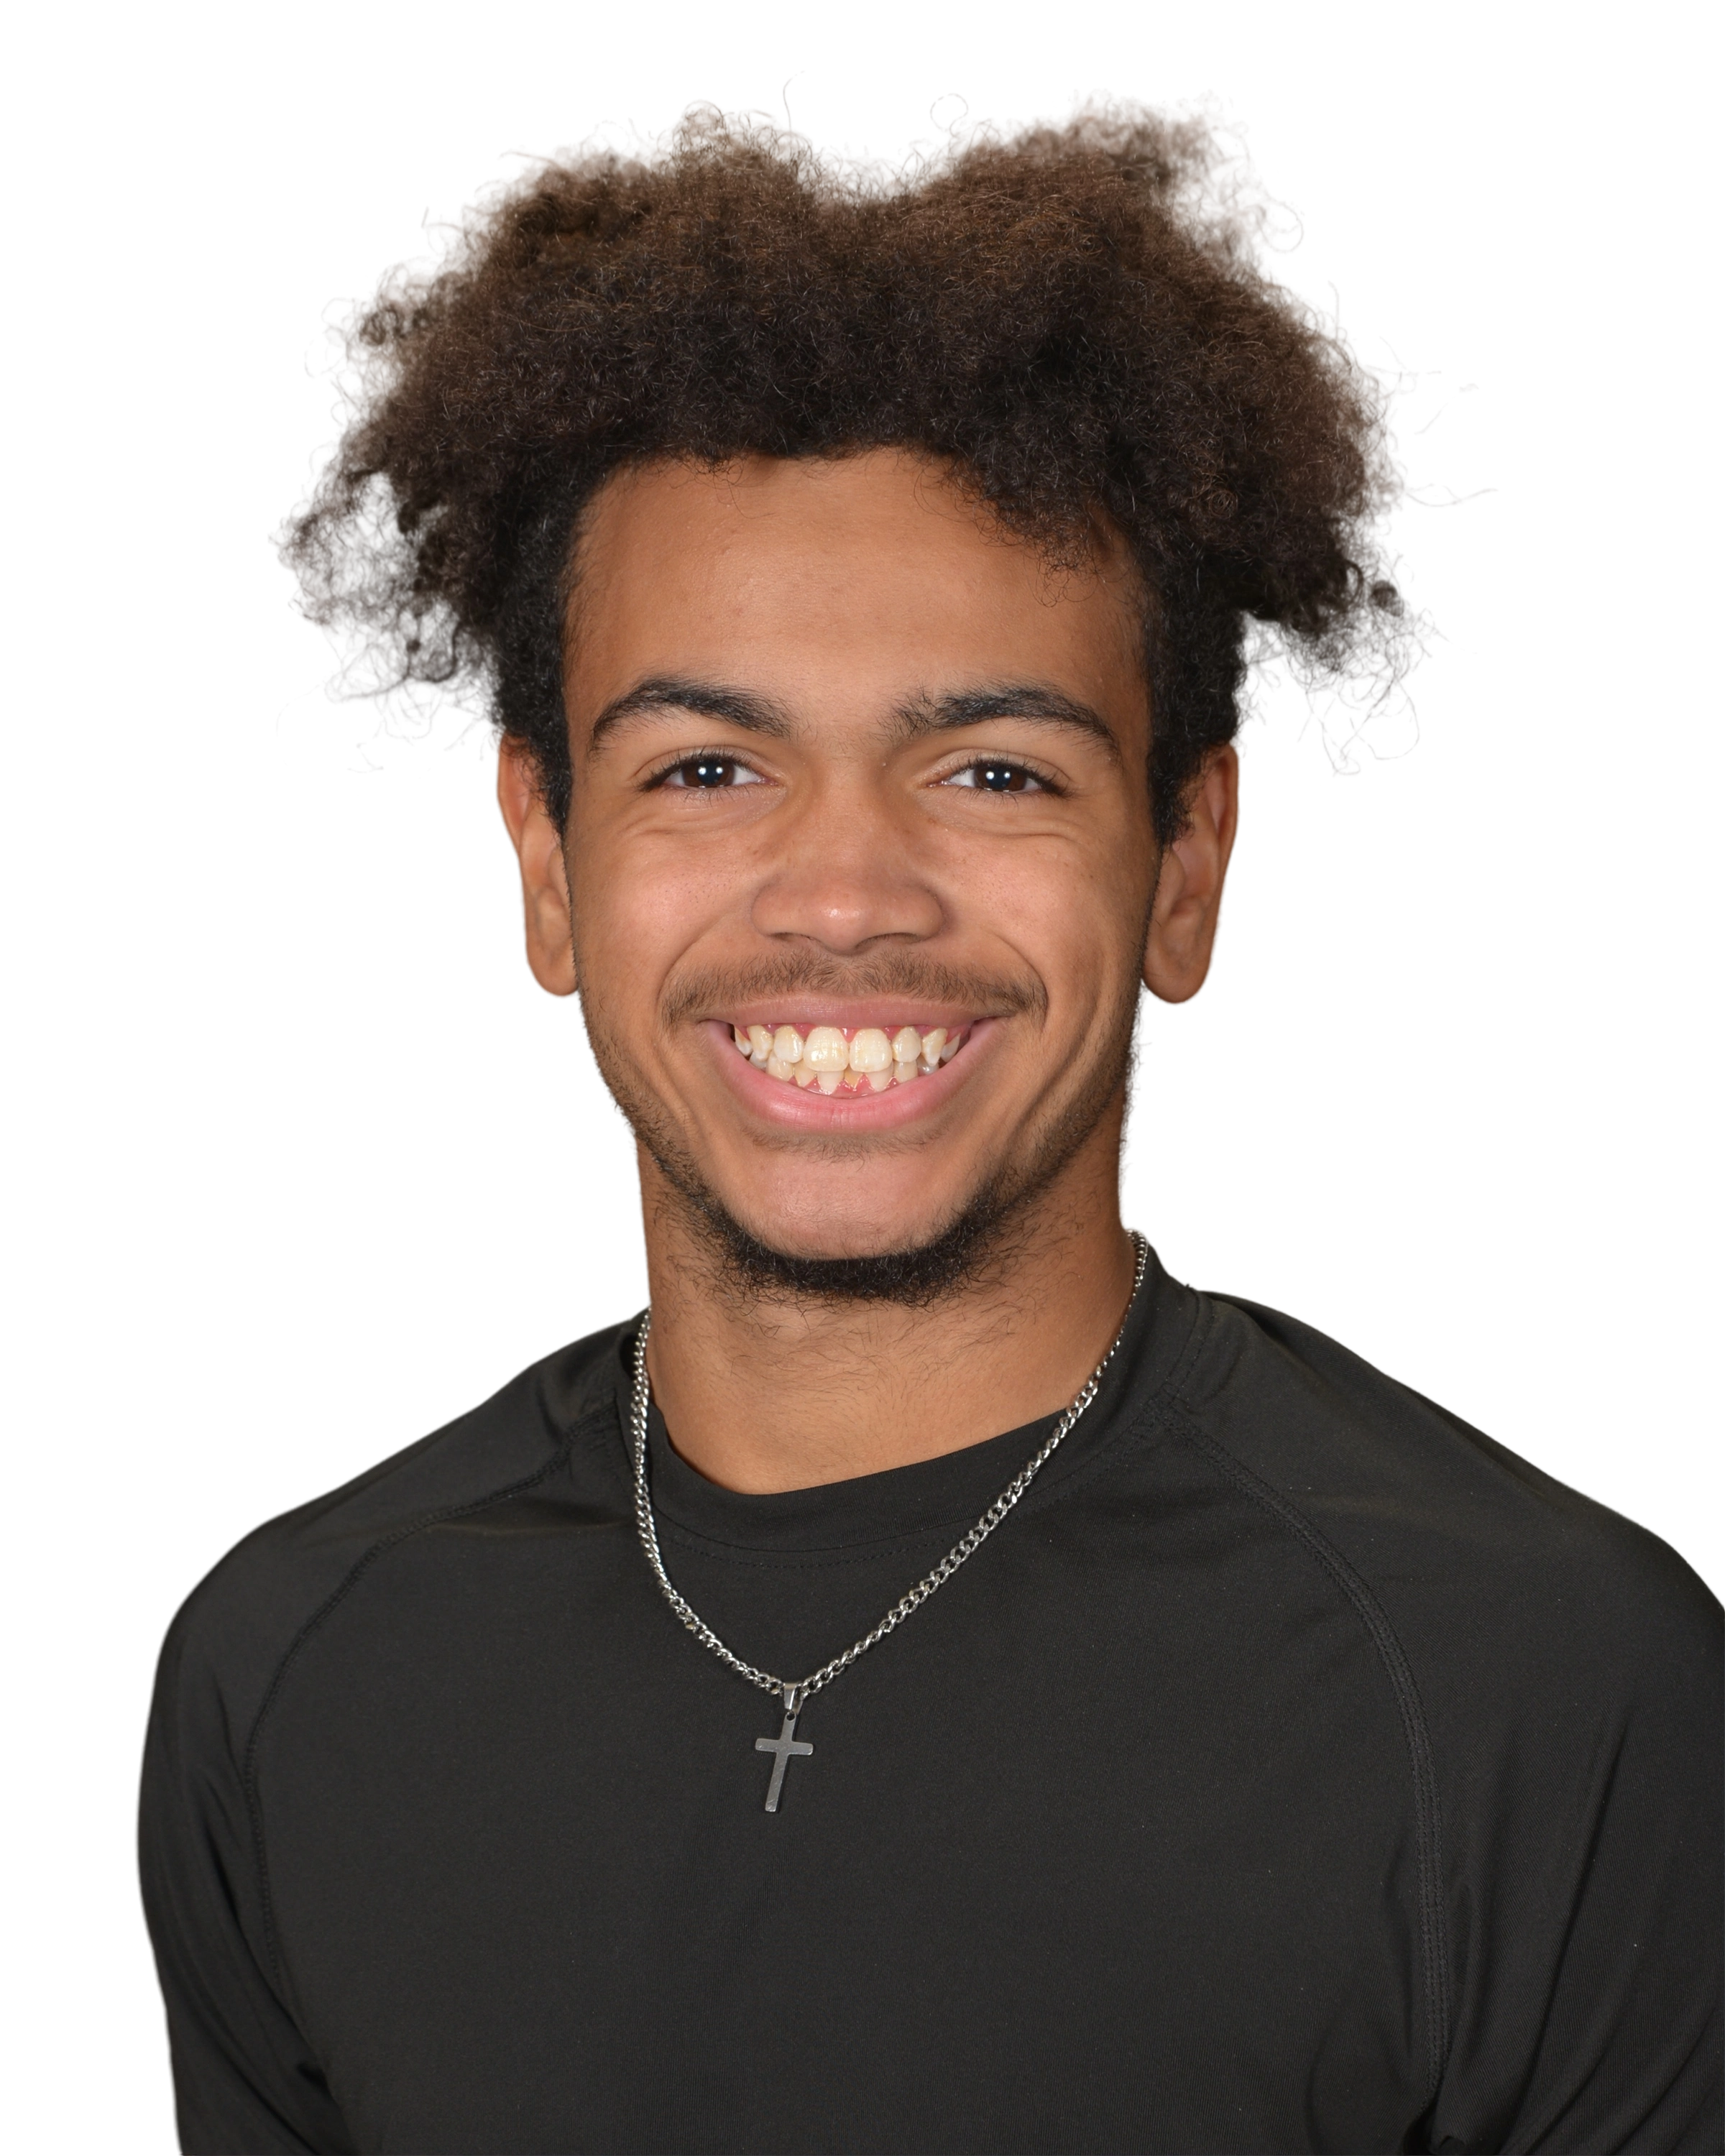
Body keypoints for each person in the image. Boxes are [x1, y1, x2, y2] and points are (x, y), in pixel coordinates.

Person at [135, 88, 1721, 2154]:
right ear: (544, 858)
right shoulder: (290, 1668)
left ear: (1186, 864)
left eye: (994, 772)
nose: (845, 895)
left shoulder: (1549, 1694)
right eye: (707, 769)